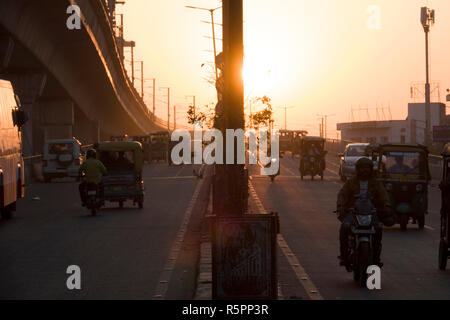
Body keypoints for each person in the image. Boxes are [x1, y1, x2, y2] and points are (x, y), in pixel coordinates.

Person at [336, 157, 395, 269]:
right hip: (353, 212)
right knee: (345, 227)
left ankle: (376, 257)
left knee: (378, 229)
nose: (364, 170)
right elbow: (342, 194)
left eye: (367, 168)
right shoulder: (351, 182)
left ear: (371, 169)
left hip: (371, 213)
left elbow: (384, 195)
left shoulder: (376, 183)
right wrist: (340, 206)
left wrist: (387, 206)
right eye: (362, 168)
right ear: (358, 169)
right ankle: (344, 255)